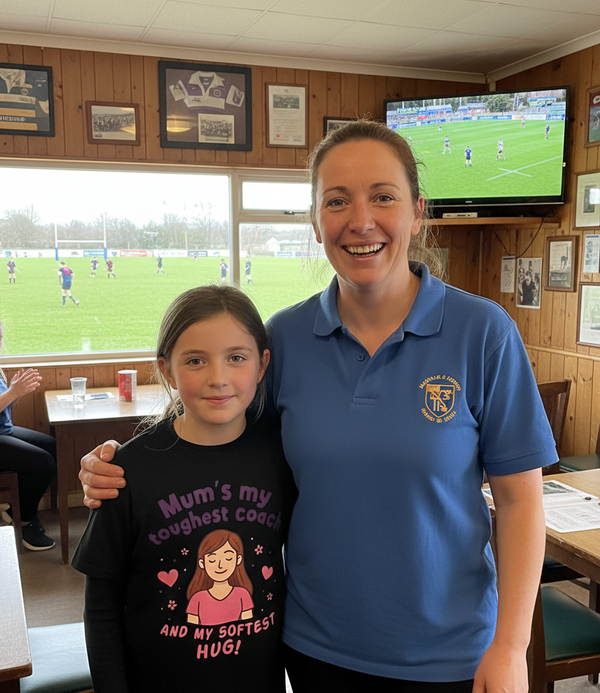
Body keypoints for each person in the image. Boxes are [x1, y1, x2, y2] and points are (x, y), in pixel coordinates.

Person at [79, 120, 555, 692]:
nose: (361, 220)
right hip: (313, 650)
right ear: (314, 220)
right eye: (337, 201)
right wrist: (120, 464)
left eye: (383, 196)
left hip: (449, 657)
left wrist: (510, 644)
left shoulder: (483, 333)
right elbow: (220, 446)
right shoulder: (286, 338)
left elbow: (521, 501)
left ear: (417, 211)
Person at [71, 285, 295, 693]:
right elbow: (101, 606)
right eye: (195, 360)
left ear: (262, 365)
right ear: (168, 370)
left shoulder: (283, 454)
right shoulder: (127, 471)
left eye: (236, 358)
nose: (218, 378)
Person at [0, 323, 56, 550]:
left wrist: (15, 393)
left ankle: (17, 512)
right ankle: (24, 522)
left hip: (5, 430)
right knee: (43, 464)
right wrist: (13, 392)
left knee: (52, 447)